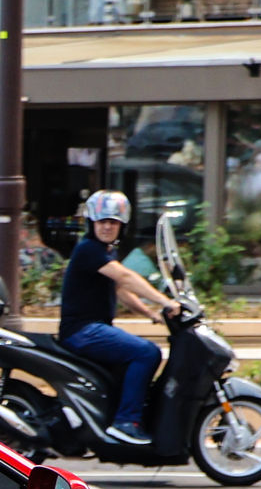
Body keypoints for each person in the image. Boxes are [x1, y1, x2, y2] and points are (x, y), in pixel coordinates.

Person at [58, 190, 180, 447]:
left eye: (113, 222)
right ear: (92, 222)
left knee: (136, 355)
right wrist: (165, 300)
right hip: (82, 330)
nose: (107, 227)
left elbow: (119, 290)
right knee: (146, 353)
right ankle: (126, 422)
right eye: (102, 221)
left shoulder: (103, 252)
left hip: (92, 329)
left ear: (121, 225)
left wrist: (149, 313)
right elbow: (125, 278)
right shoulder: (89, 250)